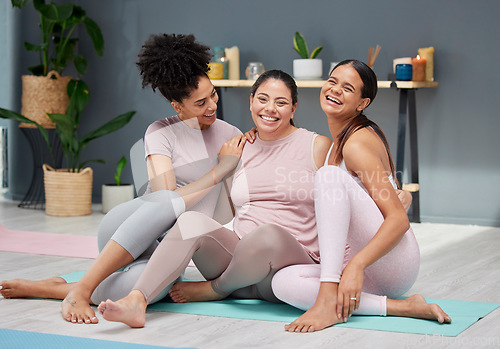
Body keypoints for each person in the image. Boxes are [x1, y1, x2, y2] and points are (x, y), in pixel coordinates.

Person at [0, 33, 245, 324]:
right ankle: (81, 291)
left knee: (151, 291)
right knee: (167, 200)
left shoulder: (230, 135)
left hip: (170, 247)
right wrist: (220, 170)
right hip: (127, 229)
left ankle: (55, 288)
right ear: (177, 107)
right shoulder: (160, 132)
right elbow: (167, 200)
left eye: (214, 94)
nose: (212, 106)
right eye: (200, 102)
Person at [96, 69, 334, 328]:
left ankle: (215, 289)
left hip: (287, 266)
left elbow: (340, 205)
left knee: (267, 235)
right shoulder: (239, 147)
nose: (270, 109)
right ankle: (136, 301)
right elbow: (218, 209)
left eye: (281, 102)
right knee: (190, 222)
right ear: (251, 101)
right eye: (263, 99)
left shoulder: (317, 146)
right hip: (240, 268)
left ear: (294, 108)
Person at [270, 60, 451, 333]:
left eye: (347, 88)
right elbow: (390, 188)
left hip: (391, 262)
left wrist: (356, 265)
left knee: (328, 176)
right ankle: (401, 307)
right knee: (282, 282)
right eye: (332, 82)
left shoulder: (356, 142)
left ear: (362, 103)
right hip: (364, 267)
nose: (335, 90)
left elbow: (399, 220)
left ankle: (327, 296)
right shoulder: (339, 143)